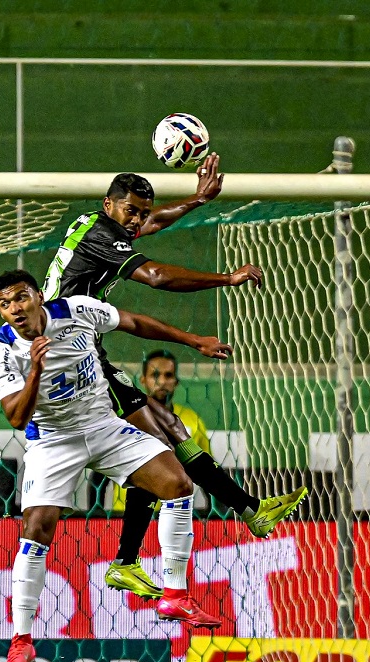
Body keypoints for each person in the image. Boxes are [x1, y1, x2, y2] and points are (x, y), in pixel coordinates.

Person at [41, 159, 306, 601]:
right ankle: (137, 558)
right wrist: (227, 278)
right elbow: (157, 276)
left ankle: (246, 513)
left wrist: (198, 199)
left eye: (142, 212)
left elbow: (153, 224)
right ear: (109, 205)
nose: (137, 220)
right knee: (158, 443)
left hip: (82, 349)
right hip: (68, 358)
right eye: (130, 211)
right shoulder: (100, 235)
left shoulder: (95, 225)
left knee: (168, 431)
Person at [0, 270, 229, 662]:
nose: (15, 309)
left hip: (104, 427)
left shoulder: (77, 311)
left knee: (177, 484)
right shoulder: (3, 347)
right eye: (5, 304)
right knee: (36, 528)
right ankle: (21, 640)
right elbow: (16, 417)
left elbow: (133, 322)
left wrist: (194, 341)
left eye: (21, 297)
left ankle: (174, 594)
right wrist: (36, 370)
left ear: (39, 296)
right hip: (53, 441)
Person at [110, 349, 212, 513]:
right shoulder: (122, 420)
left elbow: (205, 472)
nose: (162, 382)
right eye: (155, 375)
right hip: (126, 512)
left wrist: (212, 513)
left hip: (174, 511)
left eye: (168, 375)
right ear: (143, 379)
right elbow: (99, 478)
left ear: (176, 381)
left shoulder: (192, 420)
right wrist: (96, 514)